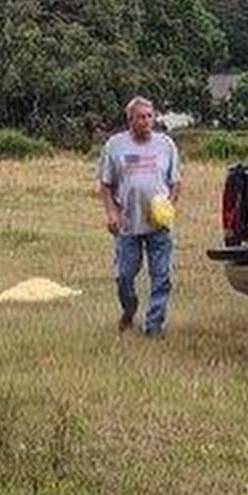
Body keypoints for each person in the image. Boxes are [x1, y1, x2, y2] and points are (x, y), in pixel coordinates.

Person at [98, 96, 181, 337]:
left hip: (159, 226)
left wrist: (169, 207)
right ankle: (129, 308)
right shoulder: (115, 146)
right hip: (127, 224)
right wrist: (111, 213)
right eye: (141, 117)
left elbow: (176, 182)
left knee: (161, 276)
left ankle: (153, 326)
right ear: (130, 119)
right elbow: (105, 185)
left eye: (149, 116)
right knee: (124, 276)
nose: (146, 121)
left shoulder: (166, 144)